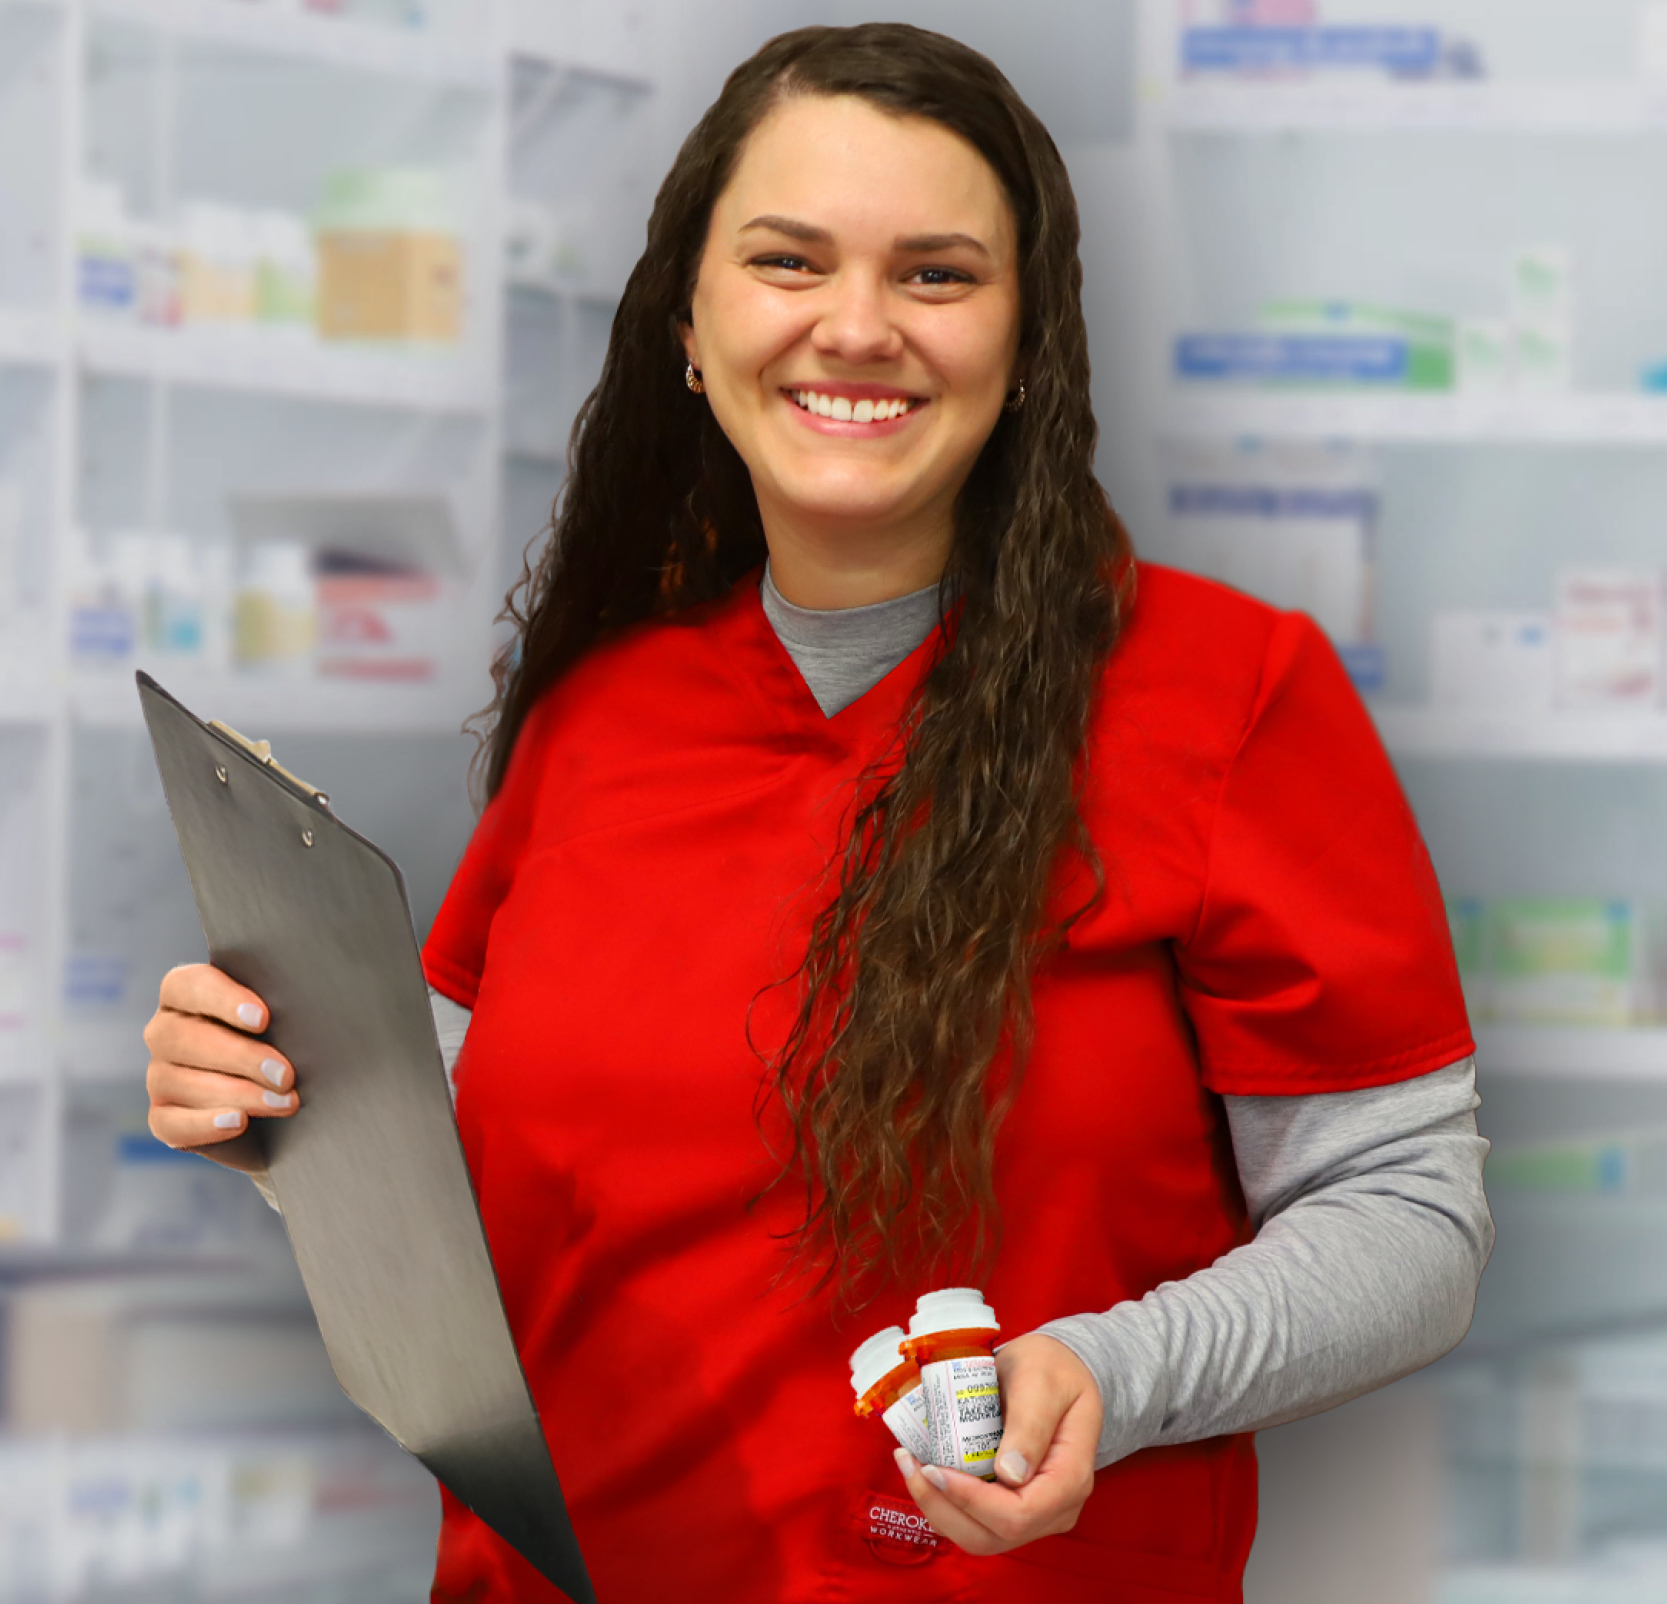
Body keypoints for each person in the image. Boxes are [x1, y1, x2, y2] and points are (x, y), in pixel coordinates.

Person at [141, 24, 1492, 1603]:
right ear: (693, 330)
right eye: (790, 261)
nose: (857, 328)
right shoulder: (598, 715)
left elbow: (1407, 1211)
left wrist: (1114, 1374)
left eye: (936, 275)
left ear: (1029, 339)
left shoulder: (1225, 694)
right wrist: (273, 1094)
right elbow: (460, 1141)